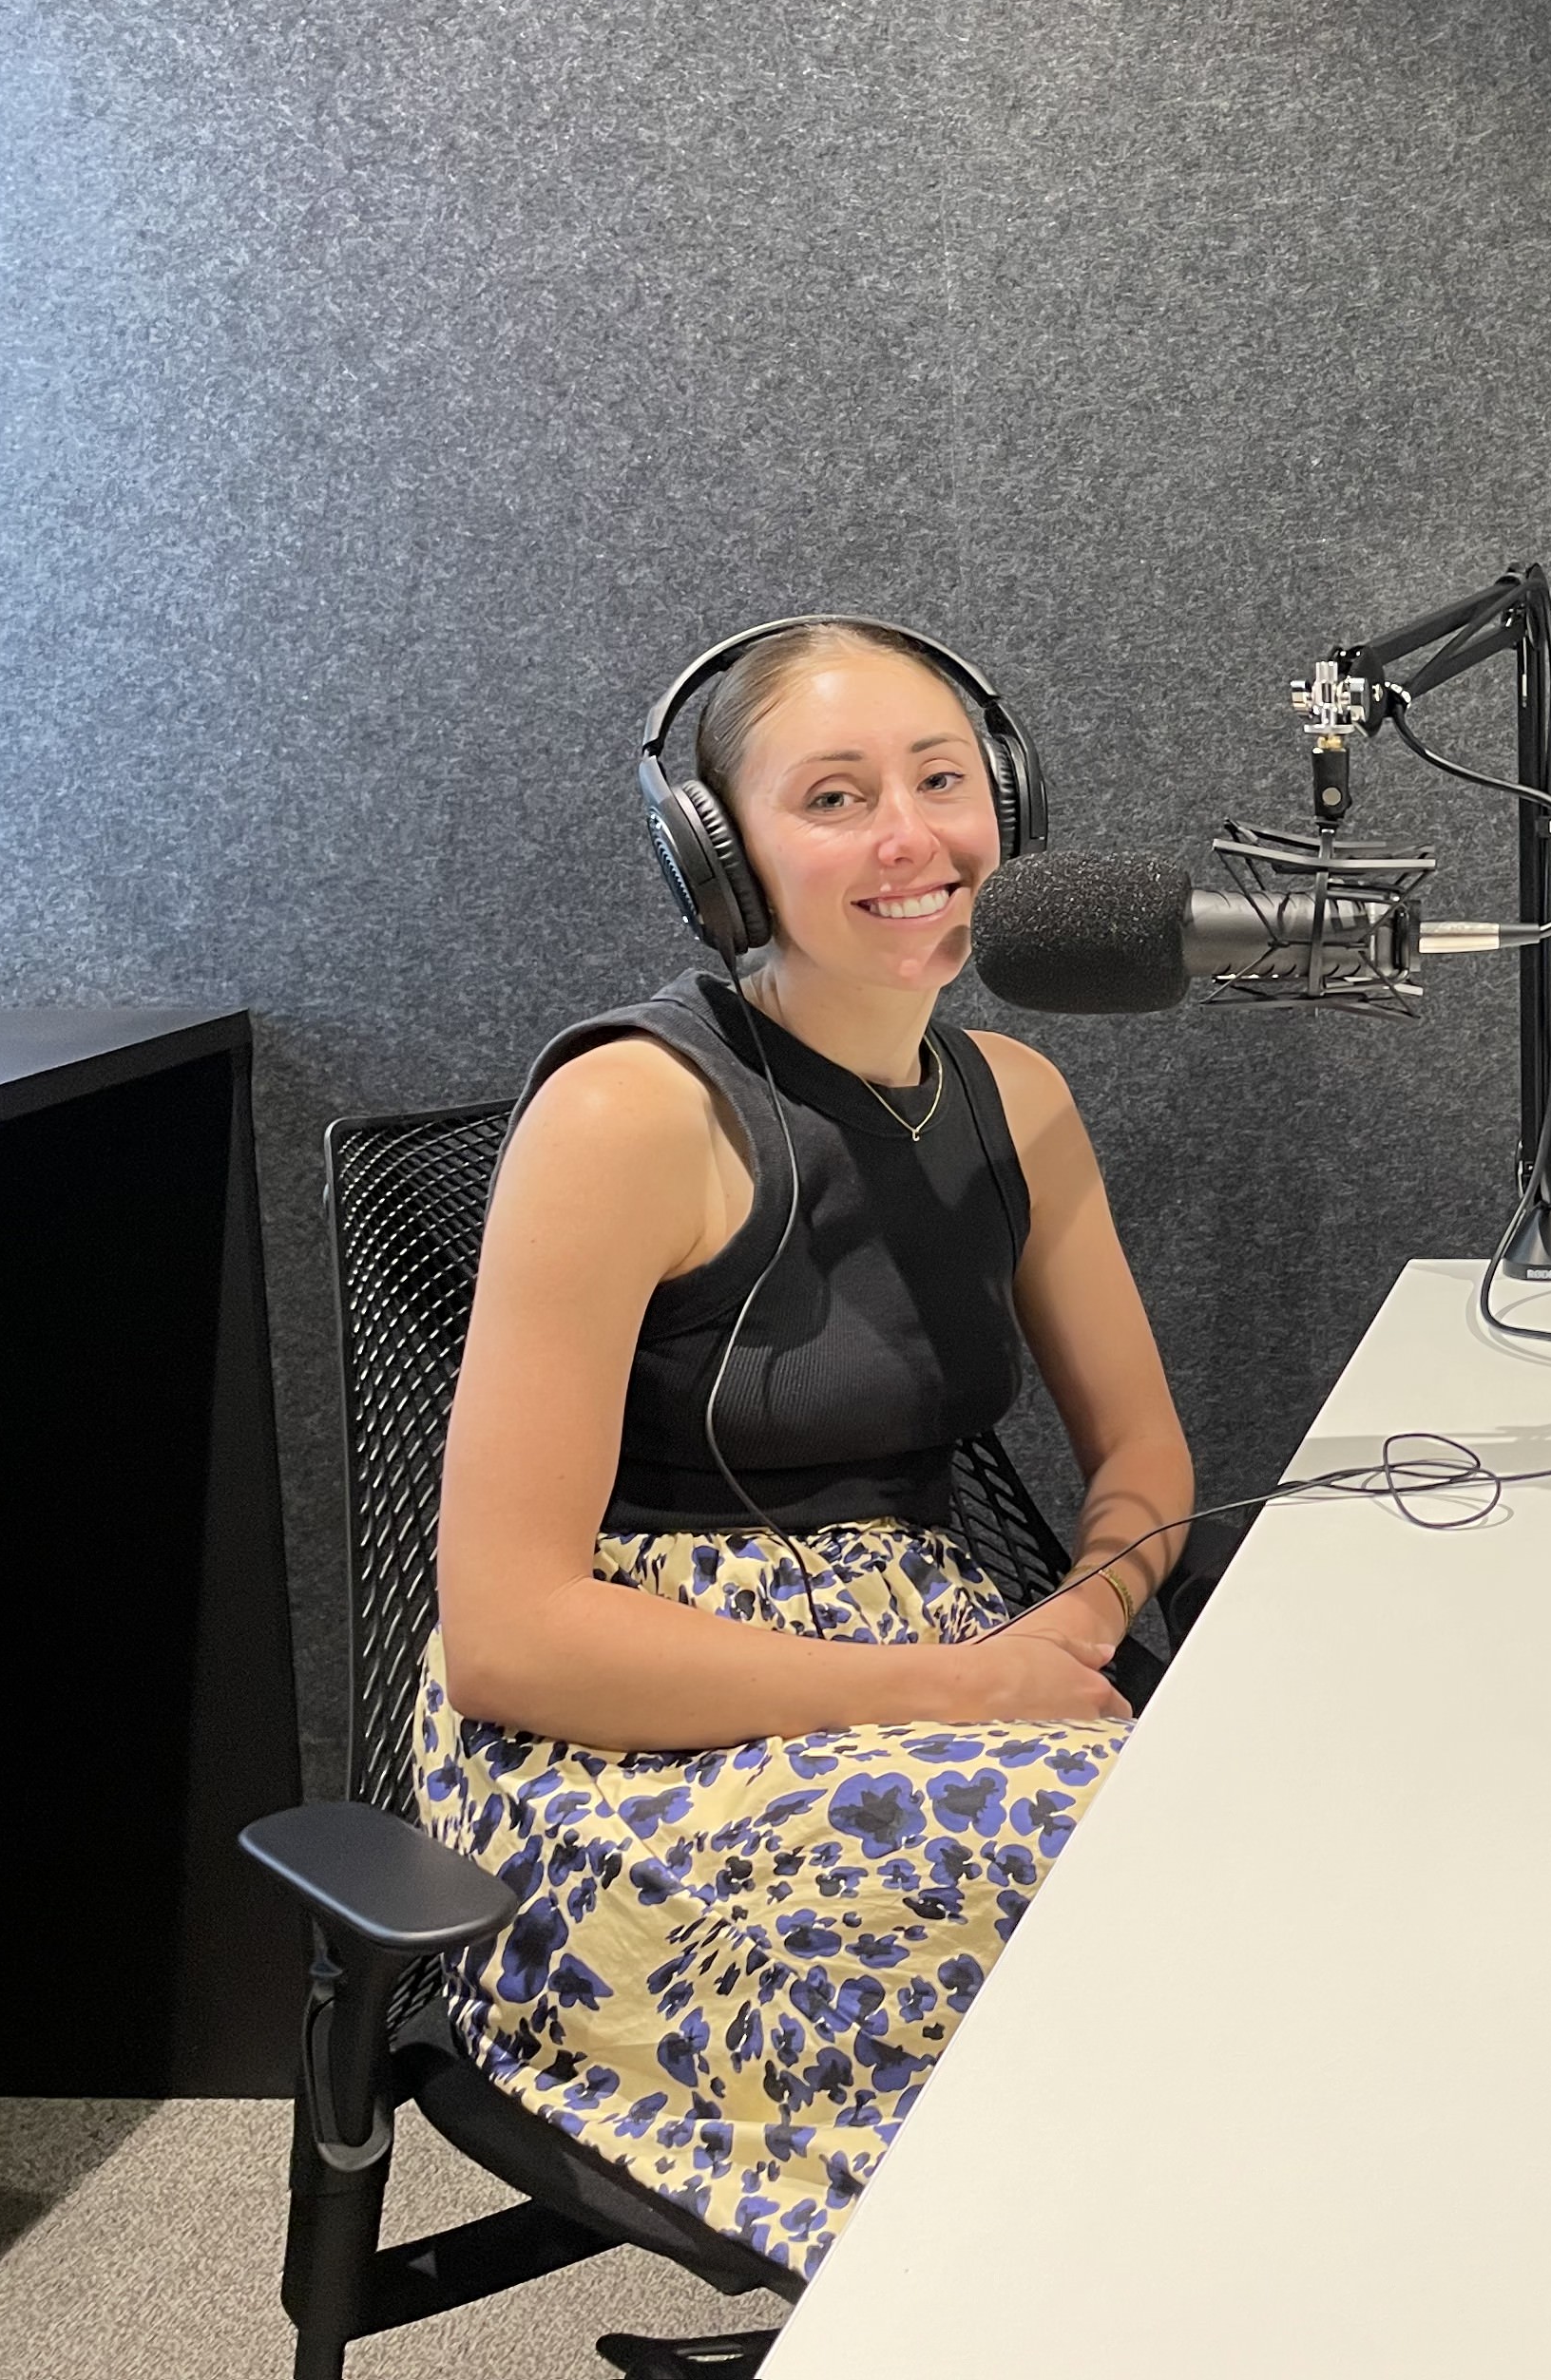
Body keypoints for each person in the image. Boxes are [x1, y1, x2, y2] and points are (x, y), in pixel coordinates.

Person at [416, 617, 1196, 2276]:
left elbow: (1143, 1460)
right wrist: (971, 1689)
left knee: (1219, 1840)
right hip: (630, 1735)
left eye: (942, 781)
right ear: (721, 859)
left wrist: (1079, 1621)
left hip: (941, 1655)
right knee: (1088, 1888)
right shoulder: (629, 1112)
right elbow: (508, 1636)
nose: (912, 839)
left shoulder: (1018, 1097)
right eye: (835, 798)